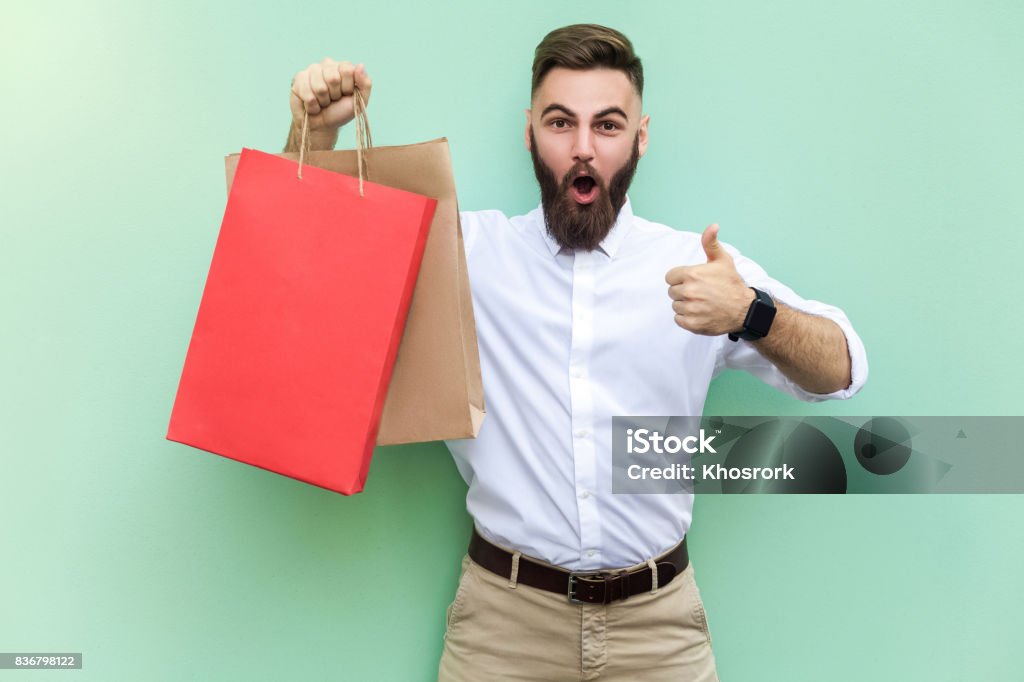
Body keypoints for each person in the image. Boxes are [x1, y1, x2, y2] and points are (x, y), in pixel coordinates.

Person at [285, 24, 868, 682]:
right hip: (503, 629)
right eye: (561, 123)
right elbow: (310, 280)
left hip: (661, 633)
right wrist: (315, 136)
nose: (584, 149)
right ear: (529, 132)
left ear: (640, 137)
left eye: (608, 126)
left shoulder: (698, 269)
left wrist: (751, 313)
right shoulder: (464, 254)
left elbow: (844, 366)